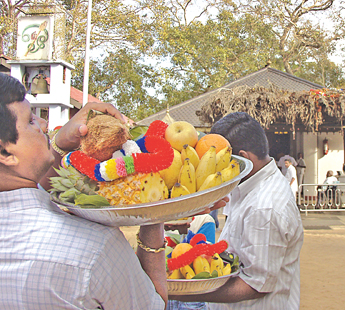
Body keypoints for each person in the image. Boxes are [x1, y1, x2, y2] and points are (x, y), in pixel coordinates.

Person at [0, 73, 167, 309]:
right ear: (4, 153)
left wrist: (58, 142)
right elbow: (154, 304)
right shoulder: (97, 248)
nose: (44, 124)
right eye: (30, 121)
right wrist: (156, 214)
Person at [171, 112, 304, 309]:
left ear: (242, 158)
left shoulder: (265, 207)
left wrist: (182, 293)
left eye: (218, 160)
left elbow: (255, 284)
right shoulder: (248, 185)